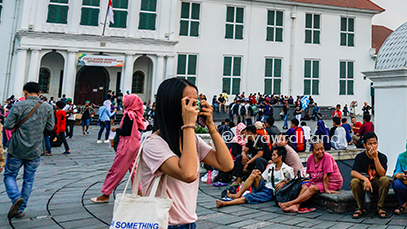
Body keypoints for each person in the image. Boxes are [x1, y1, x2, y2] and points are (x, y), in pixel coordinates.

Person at [138, 77, 234, 229]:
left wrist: (211, 125)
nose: (194, 107)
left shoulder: (190, 139)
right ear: (171, 104)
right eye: (188, 102)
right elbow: (188, 174)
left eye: (196, 102)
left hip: (188, 222)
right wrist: (189, 125)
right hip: (163, 224)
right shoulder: (153, 143)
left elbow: (226, 164)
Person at [3, 82, 55, 220]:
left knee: (9, 175)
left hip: (17, 148)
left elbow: (8, 125)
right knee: (28, 179)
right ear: (39, 93)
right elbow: (50, 127)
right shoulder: (48, 107)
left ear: (25, 92)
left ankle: (16, 197)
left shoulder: (18, 105)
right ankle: (20, 209)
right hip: (36, 148)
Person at [90, 94, 148, 203]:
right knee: (134, 169)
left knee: (116, 169)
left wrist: (115, 129)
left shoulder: (128, 115)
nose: (123, 103)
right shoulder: (136, 114)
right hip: (135, 143)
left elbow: (125, 132)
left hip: (126, 144)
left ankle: (106, 194)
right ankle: (140, 192)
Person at [279, 140, 343, 213]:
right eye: (317, 150)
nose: (320, 151)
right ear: (312, 151)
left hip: (332, 182)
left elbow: (326, 176)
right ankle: (296, 206)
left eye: (322, 149)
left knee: (312, 188)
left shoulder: (327, 157)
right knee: (304, 186)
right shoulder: (310, 158)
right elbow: (310, 175)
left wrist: (326, 189)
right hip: (318, 181)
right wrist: (309, 183)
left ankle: (290, 203)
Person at [217, 147, 292, 207]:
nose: (272, 157)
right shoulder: (271, 166)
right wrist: (258, 173)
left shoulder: (287, 169)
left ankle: (225, 203)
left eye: (274, 155)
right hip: (264, 186)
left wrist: (285, 182)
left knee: (249, 196)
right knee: (254, 173)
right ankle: (238, 194)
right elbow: (263, 178)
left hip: (270, 191)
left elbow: (294, 182)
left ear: (280, 157)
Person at [350, 132, 391, 218]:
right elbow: (353, 172)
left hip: (376, 183)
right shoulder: (360, 157)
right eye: (370, 144)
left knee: (385, 180)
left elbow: (382, 174)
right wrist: (365, 179)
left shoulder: (382, 157)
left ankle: (380, 207)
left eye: (375, 143)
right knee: (354, 181)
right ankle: (360, 207)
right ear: (365, 145)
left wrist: (375, 158)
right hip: (364, 184)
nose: (373, 146)